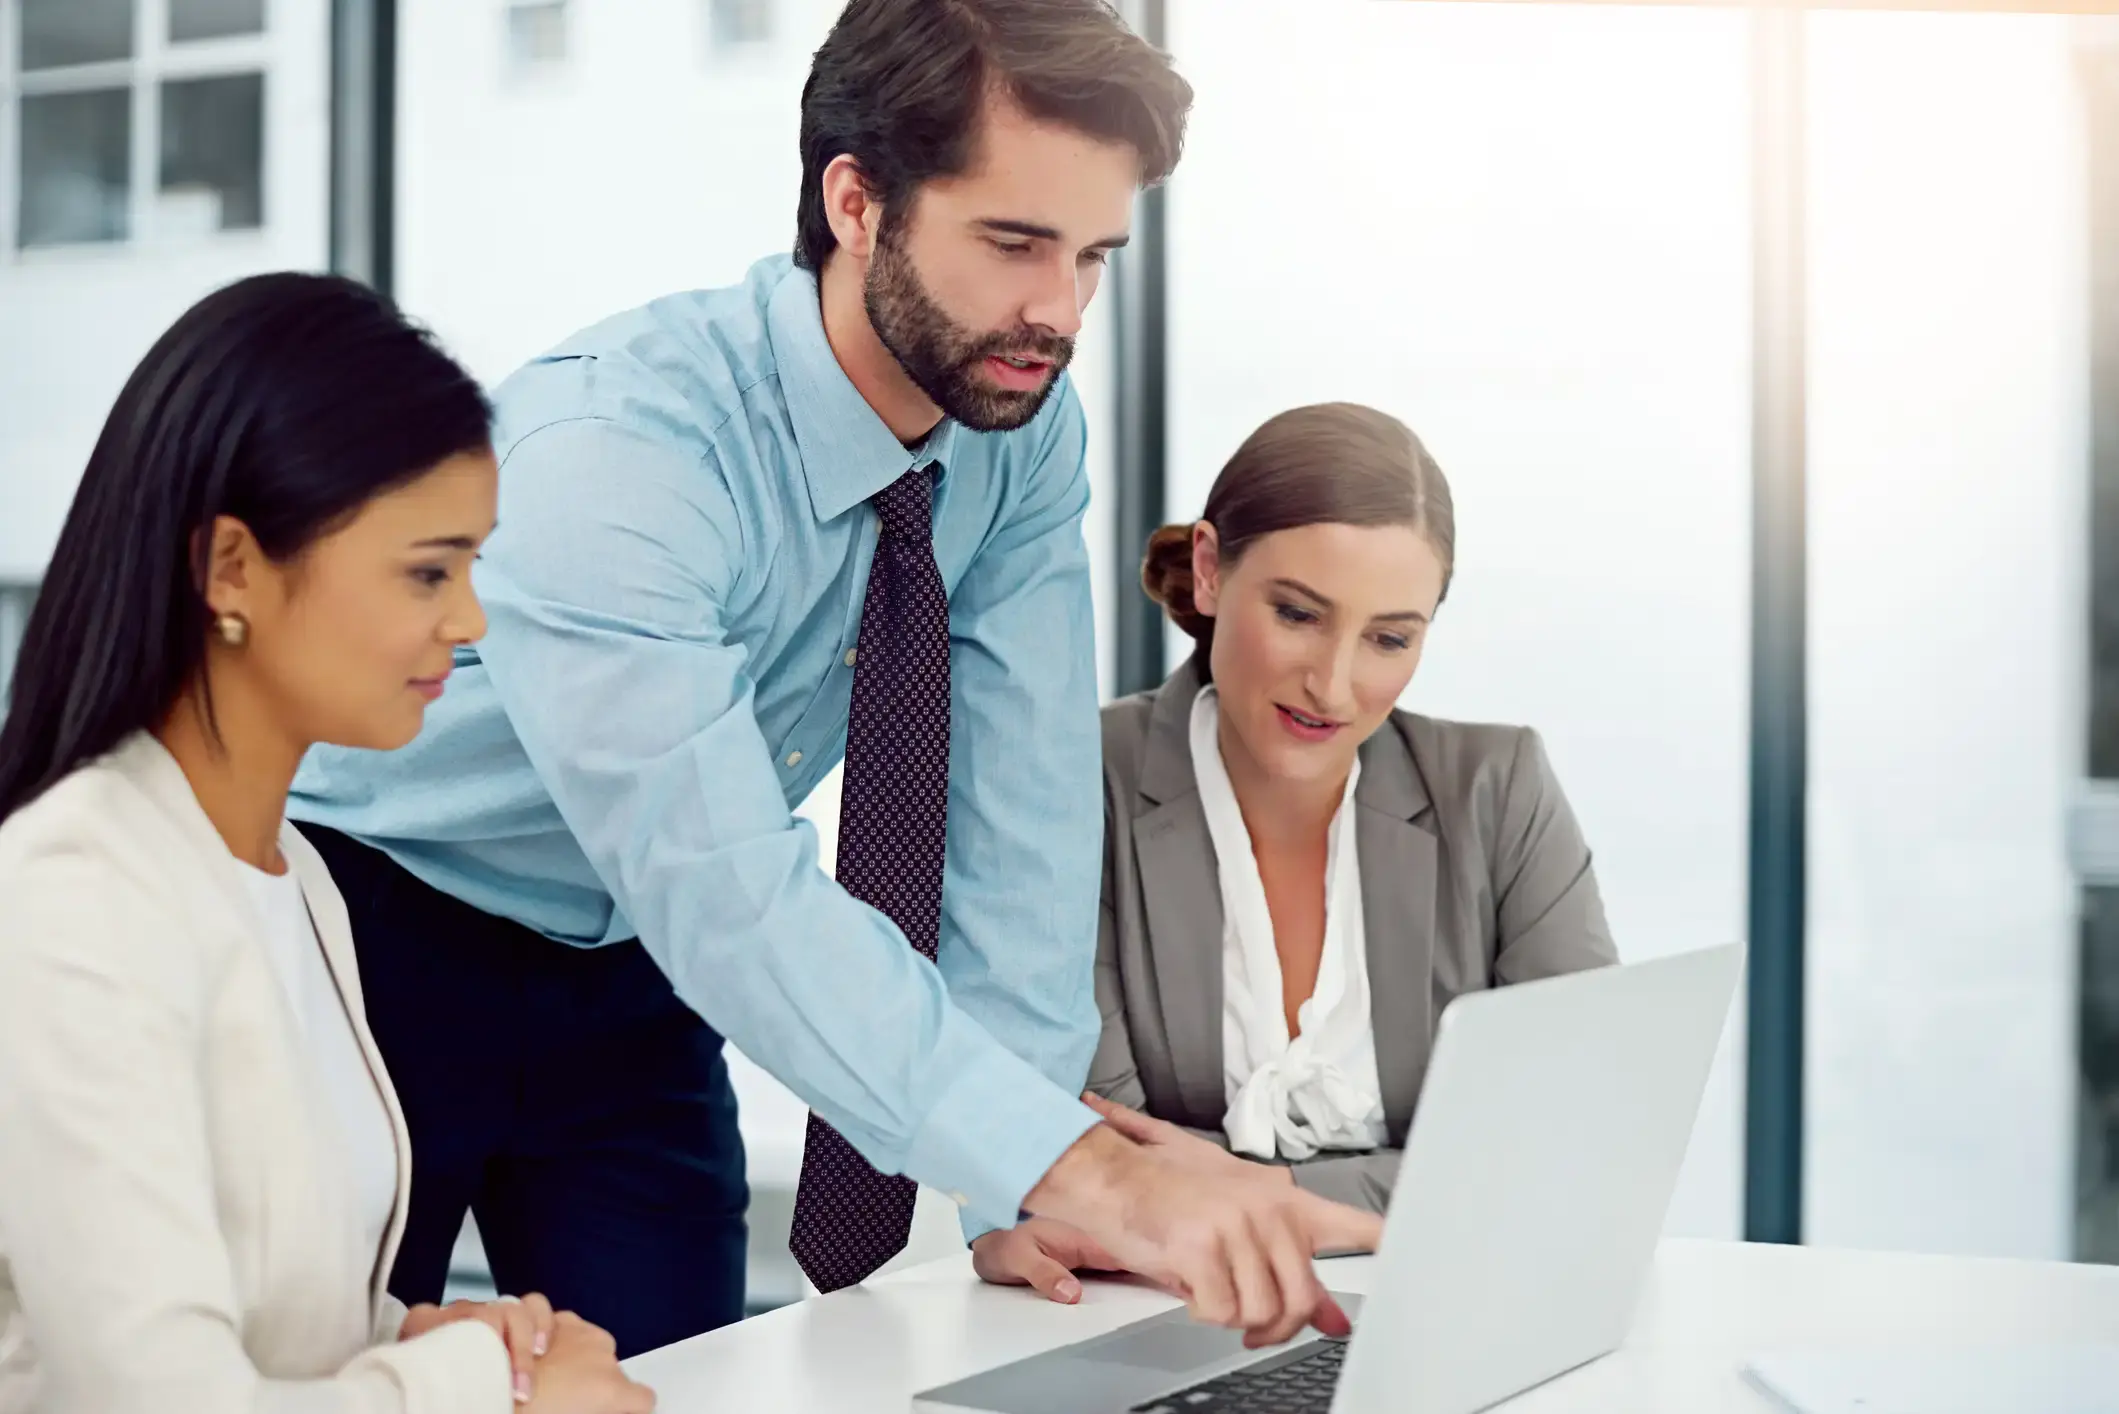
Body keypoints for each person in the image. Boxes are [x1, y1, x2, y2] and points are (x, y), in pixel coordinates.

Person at [288, 0, 1379, 1360]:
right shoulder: (619, 452)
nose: (1059, 312)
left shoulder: (1015, 429)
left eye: (1092, 256)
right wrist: (1088, 1165)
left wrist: (1016, 1178)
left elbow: (1021, 823)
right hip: (371, 931)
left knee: (680, 1378)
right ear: (855, 201)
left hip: (624, 953)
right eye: (1013, 243)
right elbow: (728, 888)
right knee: (318, 1370)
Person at [0, 273, 651, 1414]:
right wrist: (467, 1388)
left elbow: (270, 1298)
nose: (468, 621)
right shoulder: (74, 894)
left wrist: (432, 1330)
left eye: (469, 568)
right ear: (232, 568)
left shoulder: (293, 876)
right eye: (425, 571)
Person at [1082, 403, 1619, 1215]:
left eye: (1389, 640)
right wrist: (1408, 1198)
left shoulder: (1498, 793)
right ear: (1209, 570)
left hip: (1432, 1303)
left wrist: (1271, 1199)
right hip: (1144, 1305)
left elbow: (1574, 1139)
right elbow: (1097, 1158)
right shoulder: (1085, 784)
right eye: (1297, 614)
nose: (1333, 686)